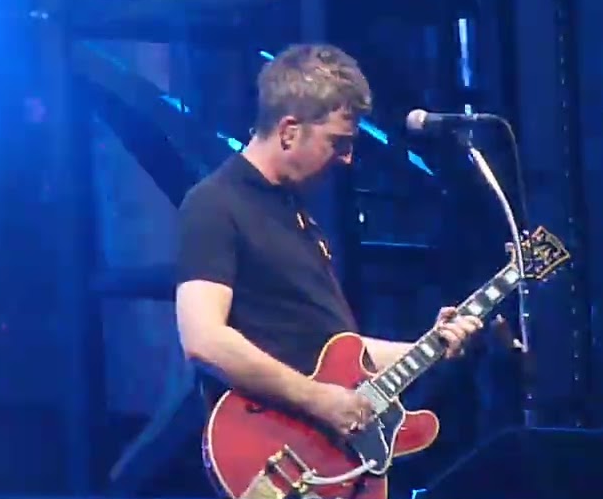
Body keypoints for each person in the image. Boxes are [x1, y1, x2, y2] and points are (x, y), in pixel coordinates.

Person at [174, 43, 483, 438]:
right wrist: (319, 400)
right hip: (270, 449)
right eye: (338, 142)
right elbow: (203, 339)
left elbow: (337, 352)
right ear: (289, 131)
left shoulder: (296, 213)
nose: (348, 158)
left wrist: (429, 347)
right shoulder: (214, 204)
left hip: (323, 449)